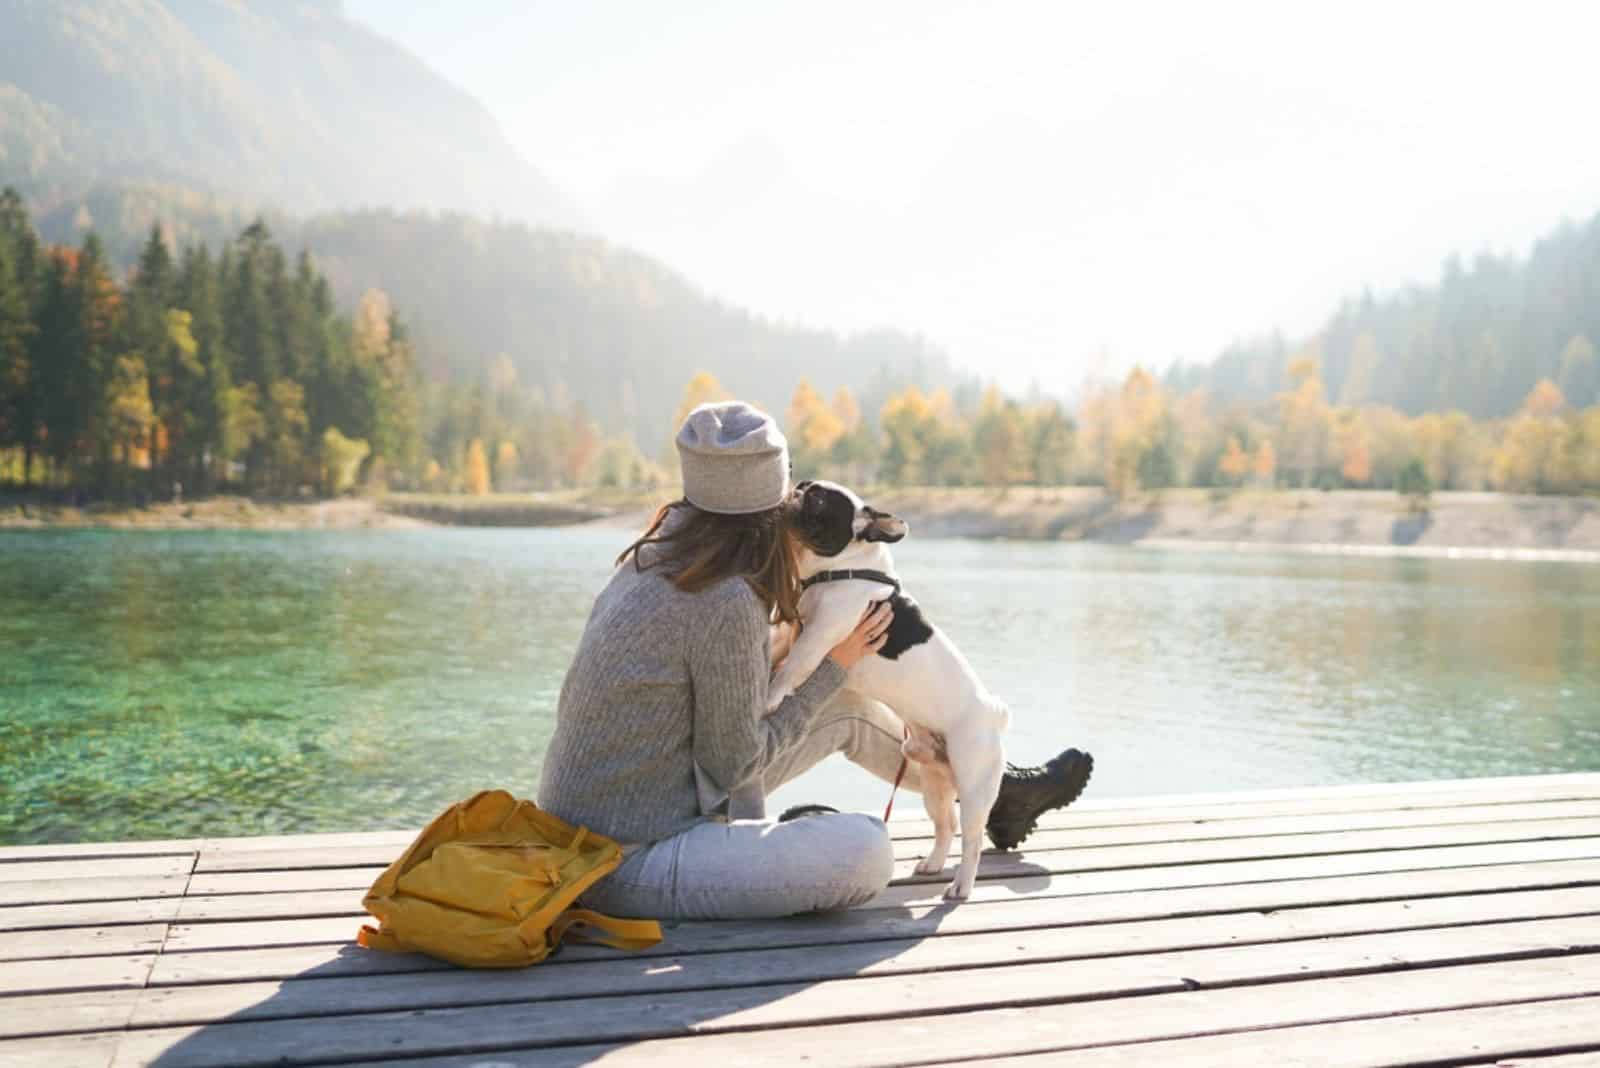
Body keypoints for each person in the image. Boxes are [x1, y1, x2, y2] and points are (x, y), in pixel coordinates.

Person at [536, 400, 1093, 921]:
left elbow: (729, 725)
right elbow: (736, 764)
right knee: (867, 852)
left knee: (847, 702)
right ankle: (987, 794)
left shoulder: (655, 554)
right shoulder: (724, 600)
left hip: (587, 826)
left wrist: (834, 661)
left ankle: (989, 789)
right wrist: (836, 662)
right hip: (631, 861)